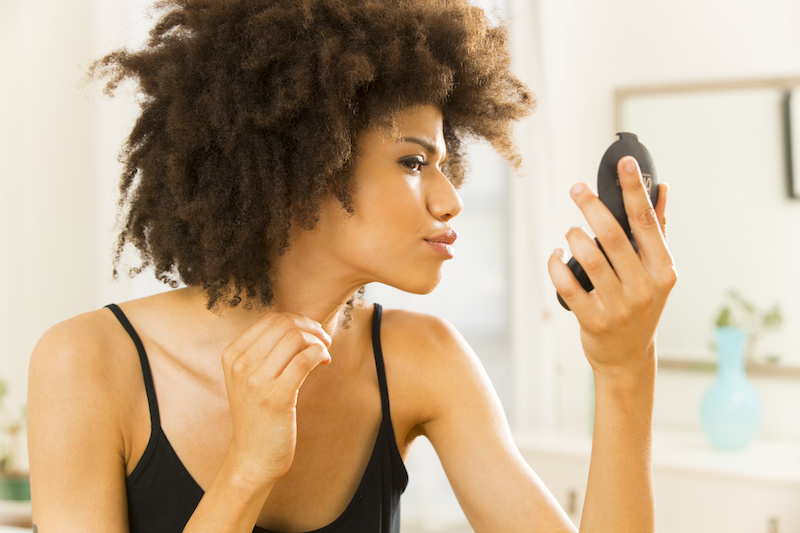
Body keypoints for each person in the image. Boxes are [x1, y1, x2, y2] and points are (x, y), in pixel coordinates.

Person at [26, 0, 676, 531]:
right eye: (414, 161)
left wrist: (624, 369)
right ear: (301, 165)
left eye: (445, 165)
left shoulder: (422, 360)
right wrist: (247, 468)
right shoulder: (87, 363)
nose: (450, 199)